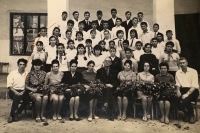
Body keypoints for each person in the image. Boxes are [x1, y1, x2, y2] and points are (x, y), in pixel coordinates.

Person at [174, 57, 199, 124]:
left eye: (183, 63)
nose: (182, 64)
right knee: (174, 98)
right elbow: (178, 84)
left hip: (193, 91)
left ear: (187, 63)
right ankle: (186, 112)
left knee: (185, 99)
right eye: (180, 63)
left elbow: (194, 85)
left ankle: (191, 115)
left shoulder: (193, 71)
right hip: (182, 89)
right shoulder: (178, 72)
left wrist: (187, 94)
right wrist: (178, 90)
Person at [7, 58, 28, 123]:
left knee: (28, 99)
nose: (22, 66)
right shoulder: (12, 73)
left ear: (25, 66)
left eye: (23, 64)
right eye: (20, 64)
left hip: (24, 91)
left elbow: (28, 85)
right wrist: (16, 92)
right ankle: (12, 116)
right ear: (18, 65)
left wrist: (23, 92)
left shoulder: (27, 74)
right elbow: (9, 86)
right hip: (13, 91)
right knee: (17, 97)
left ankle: (17, 112)